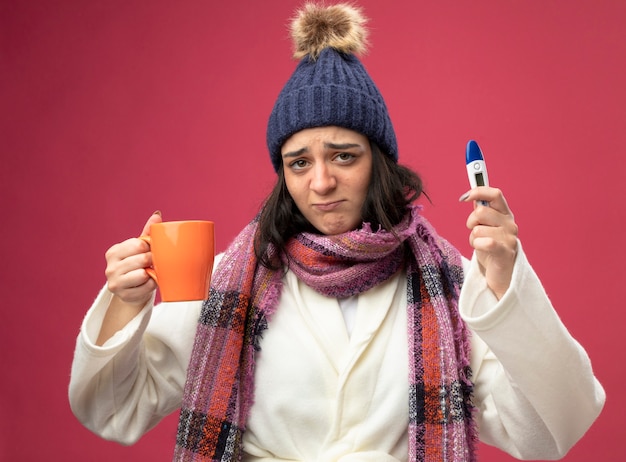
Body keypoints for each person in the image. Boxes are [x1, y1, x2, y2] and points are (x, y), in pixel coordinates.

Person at [69, 3, 605, 462]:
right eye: (299, 163)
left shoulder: (450, 284)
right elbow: (112, 409)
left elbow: (554, 428)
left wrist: (506, 286)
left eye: (343, 156)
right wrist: (125, 302)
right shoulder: (227, 287)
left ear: (380, 163)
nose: (321, 182)